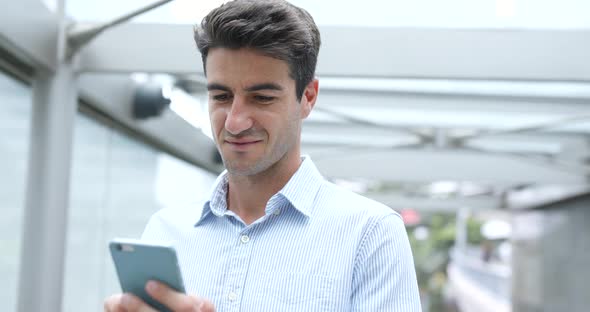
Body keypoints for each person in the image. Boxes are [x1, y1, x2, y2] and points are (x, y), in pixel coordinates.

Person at [104, 0, 421, 311]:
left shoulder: (370, 234)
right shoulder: (165, 232)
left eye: (262, 98)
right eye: (221, 96)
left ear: (307, 97)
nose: (234, 122)